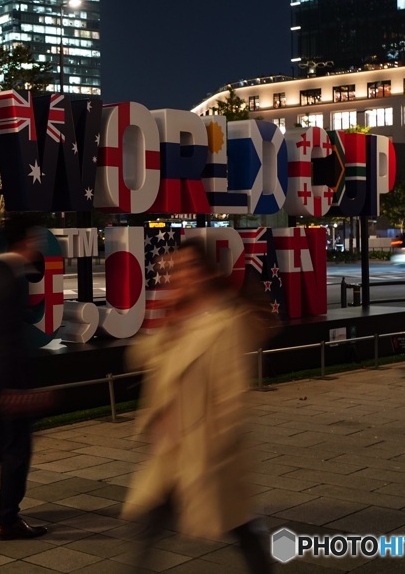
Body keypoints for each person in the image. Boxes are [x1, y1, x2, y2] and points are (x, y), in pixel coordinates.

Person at [121, 239, 271, 574]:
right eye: (177, 268)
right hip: (172, 451)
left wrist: (215, 447)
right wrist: (167, 324)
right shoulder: (180, 315)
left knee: (242, 527)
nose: (181, 275)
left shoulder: (225, 323)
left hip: (209, 453)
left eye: (189, 267)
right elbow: (138, 358)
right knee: (150, 526)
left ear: (205, 272)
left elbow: (233, 397)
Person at [0, 215, 52, 541]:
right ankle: (8, 520)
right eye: (36, 239)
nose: (39, 245)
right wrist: (17, 387)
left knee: (9, 445)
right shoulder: (10, 279)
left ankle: (6, 512)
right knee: (18, 449)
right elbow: (9, 340)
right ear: (25, 241)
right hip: (9, 381)